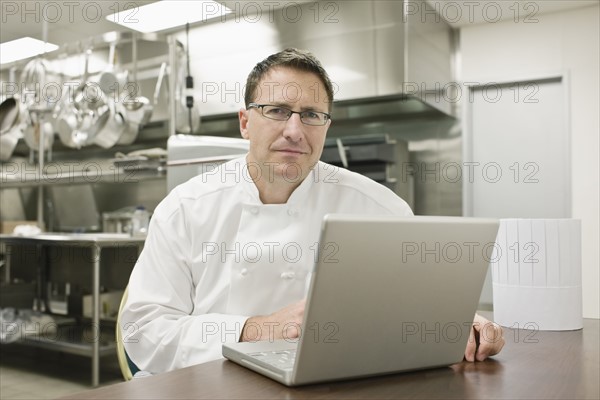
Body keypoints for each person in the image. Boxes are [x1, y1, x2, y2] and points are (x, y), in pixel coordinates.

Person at [122, 48, 504, 374]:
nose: (294, 130)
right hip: (210, 384)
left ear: (326, 126)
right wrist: (256, 329)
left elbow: (421, 306)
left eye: (311, 115)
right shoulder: (186, 208)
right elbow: (143, 332)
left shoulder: (379, 208)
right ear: (244, 123)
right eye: (277, 110)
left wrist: (459, 325)